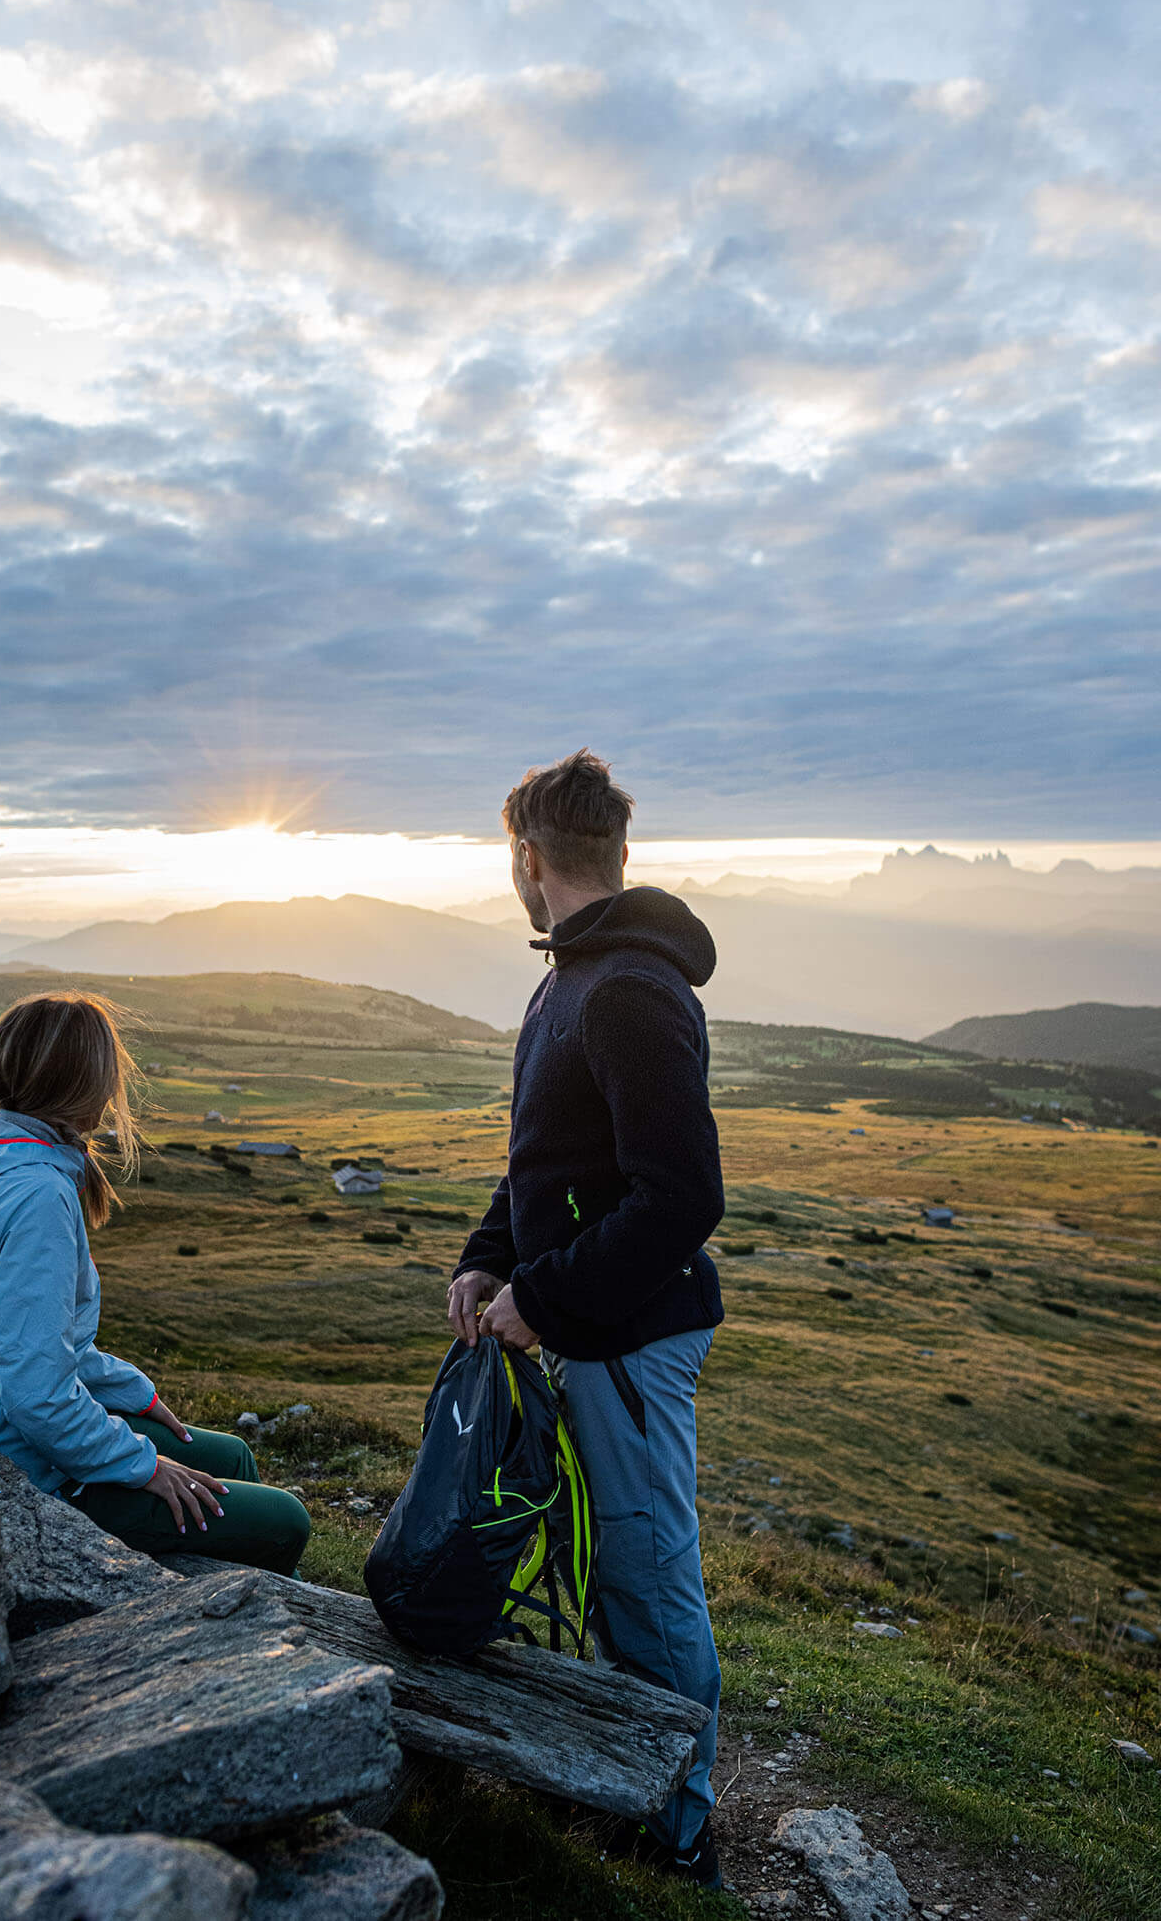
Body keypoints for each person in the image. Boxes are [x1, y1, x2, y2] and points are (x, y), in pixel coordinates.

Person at [447, 750, 726, 1889]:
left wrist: (545, 1300)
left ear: (526, 856)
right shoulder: (571, 975)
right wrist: (485, 1261)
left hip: (634, 1333)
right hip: (591, 1325)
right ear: (615, 848)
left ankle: (681, 1829)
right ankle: (629, 1785)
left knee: (649, 1575)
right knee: (613, 1564)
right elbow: (553, 1161)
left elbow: (681, 1196)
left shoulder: (625, 990)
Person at [0, 991, 311, 1576]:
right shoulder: (36, 1195)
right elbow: (35, 1394)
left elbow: (43, 1345)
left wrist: (136, 1396)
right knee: (287, 1521)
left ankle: (241, 1583)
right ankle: (252, 1620)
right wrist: (145, 1467)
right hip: (6, 1468)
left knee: (231, 1454)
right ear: (84, 1087)